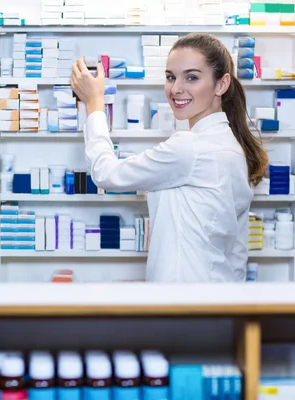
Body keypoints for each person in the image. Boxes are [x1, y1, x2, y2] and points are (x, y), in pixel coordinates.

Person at [70, 33, 268, 282]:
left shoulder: (190, 148)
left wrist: (94, 105)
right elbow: (236, 248)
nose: (176, 89)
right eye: (170, 77)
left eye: (192, 77)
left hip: (185, 303)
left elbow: (106, 174)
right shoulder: (234, 146)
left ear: (221, 84)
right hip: (219, 299)